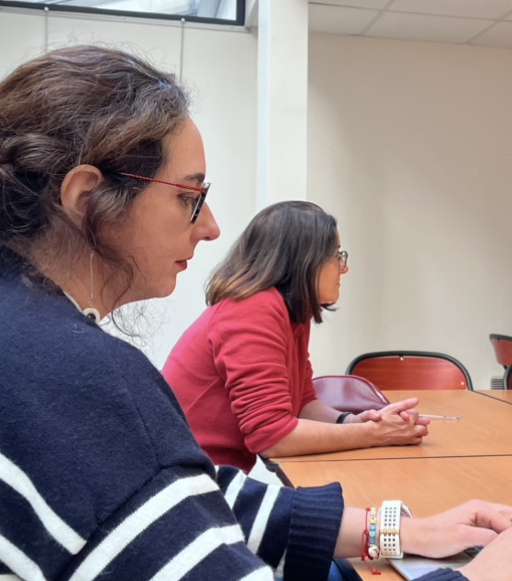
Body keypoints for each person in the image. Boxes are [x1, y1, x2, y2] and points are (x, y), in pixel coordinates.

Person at [0, 45, 512, 581]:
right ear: (88, 199)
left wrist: (400, 530)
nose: (211, 227)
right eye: (188, 196)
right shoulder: (59, 370)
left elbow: (190, 501)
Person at [163, 201, 429, 472]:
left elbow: (302, 404)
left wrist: (355, 423)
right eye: (336, 255)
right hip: (183, 482)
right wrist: (375, 435)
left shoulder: (289, 312)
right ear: (304, 260)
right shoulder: (251, 309)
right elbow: (272, 437)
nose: (343, 268)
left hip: (209, 478)